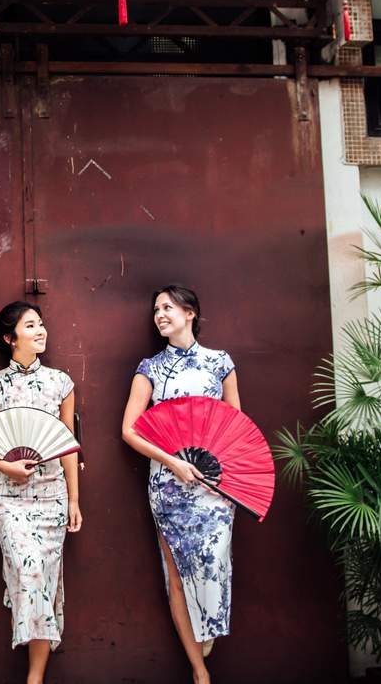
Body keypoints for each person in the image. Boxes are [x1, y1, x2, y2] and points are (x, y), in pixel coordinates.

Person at [121, 285, 241, 684]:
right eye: (156, 309)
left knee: (213, 563)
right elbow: (130, 431)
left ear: (190, 313)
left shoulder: (219, 363)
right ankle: (199, 670)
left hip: (213, 484)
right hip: (169, 486)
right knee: (175, 574)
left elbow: (234, 425)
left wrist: (221, 470)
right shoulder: (150, 368)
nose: (159, 314)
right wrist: (172, 462)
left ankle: (207, 629)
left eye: (167, 307)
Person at [0, 301, 83, 684]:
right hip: (6, 494)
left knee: (45, 581)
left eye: (41, 324)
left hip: (52, 494)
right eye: (30, 325)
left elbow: (68, 444)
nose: (41, 331)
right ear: (9, 338)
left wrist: (73, 499)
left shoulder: (61, 383)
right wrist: (5, 466)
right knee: (29, 570)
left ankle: (35, 678)